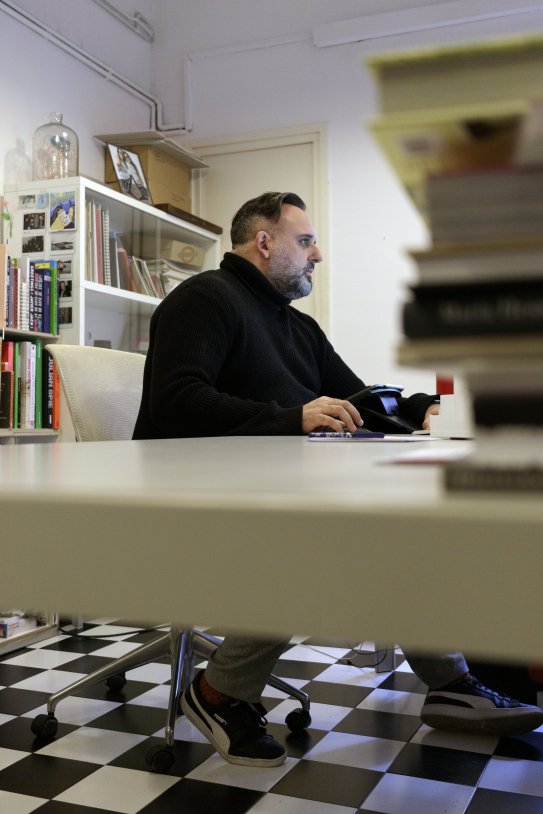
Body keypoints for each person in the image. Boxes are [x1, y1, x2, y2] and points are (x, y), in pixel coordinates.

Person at [133, 191, 543, 767]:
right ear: (264, 242)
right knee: (332, 536)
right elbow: (176, 400)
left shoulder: (298, 327)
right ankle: (217, 692)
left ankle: (451, 684)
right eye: (305, 241)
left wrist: (424, 406)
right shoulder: (204, 298)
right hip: (184, 499)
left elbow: (359, 396)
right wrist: (291, 417)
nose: (317, 254)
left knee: (397, 525)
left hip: (259, 493)